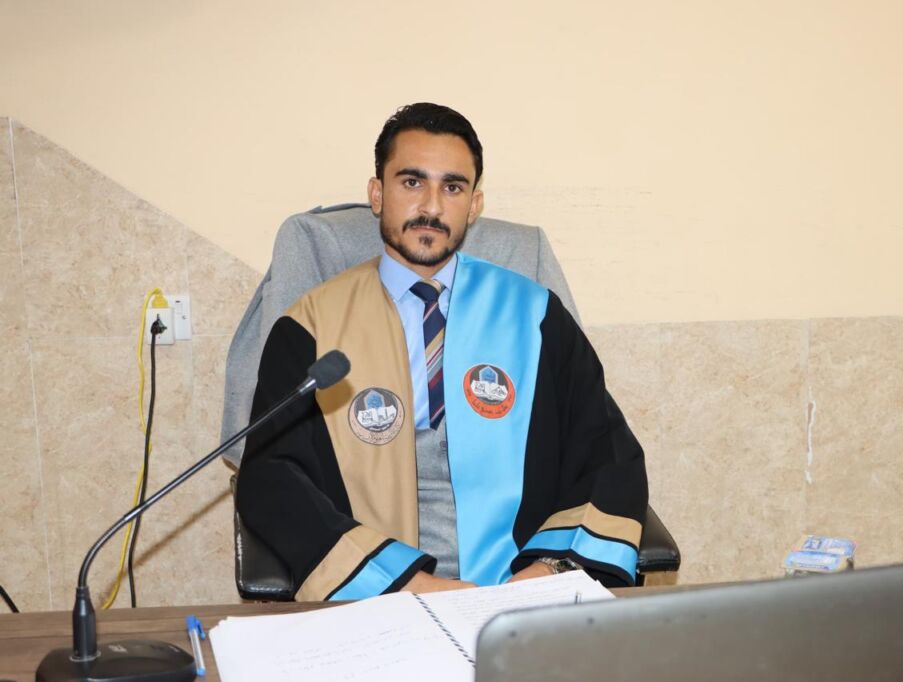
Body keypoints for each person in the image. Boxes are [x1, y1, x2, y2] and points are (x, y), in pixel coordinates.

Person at [236, 103, 647, 600]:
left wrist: (545, 574)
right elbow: (272, 475)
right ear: (377, 194)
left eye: (452, 187)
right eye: (412, 182)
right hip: (381, 594)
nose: (431, 207)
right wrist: (409, 584)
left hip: (521, 586)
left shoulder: (534, 316)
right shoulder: (312, 326)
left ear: (473, 205)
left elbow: (609, 456)